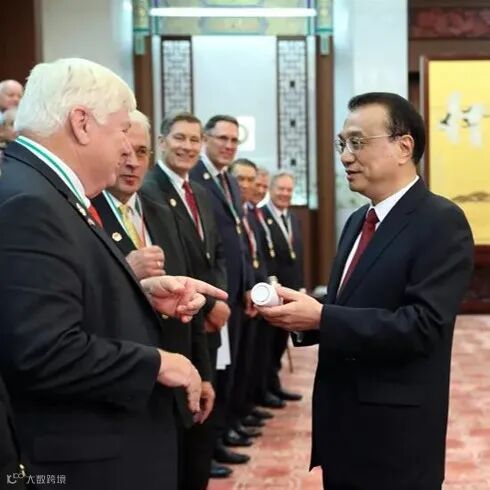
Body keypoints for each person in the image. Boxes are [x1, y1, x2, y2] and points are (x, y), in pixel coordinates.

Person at [0, 58, 227, 490]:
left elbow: (60, 295)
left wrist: (137, 291)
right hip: (78, 462)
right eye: (123, 129)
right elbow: (40, 352)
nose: (127, 148)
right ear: (82, 123)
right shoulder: (30, 202)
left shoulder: (45, 189)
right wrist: (159, 362)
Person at [258, 92, 474, 490]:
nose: (345, 156)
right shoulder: (359, 219)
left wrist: (322, 317)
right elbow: (352, 304)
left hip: (395, 437)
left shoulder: (441, 221)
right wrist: (304, 314)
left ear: (403, 147)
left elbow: (422, 326)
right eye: (342, 144)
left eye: (358, 142)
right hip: (342, 425)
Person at [93, 110, 216, 489]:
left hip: (178, 387)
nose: (132, 162)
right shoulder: (85, 214)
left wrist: (204, 373)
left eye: (141, 152)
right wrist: (127, 271)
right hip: (123, 389)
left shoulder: (163, 211)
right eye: (124, 151)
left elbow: (189, 295)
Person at [143, 112, 232, 484]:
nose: (188, 146)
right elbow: (177, 263)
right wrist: (210, 305)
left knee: (204, 405)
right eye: (180, 138)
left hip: (206, 314)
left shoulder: (199, 192)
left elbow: (216, 253)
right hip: (181, 312)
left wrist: (219, 300)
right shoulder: (149, 190)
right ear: (162, 141)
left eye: (195, 140)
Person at [190, 115, 256, 465]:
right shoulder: (195, 176)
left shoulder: (229, 180)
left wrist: (247, 285)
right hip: (212, 296)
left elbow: (239, 238)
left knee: (232, 368)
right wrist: (214, 296)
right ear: (206, 139)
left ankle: (226, 428)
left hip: (235, 292)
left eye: (234, 140)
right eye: (223, 138)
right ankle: (209, 445)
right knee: (212, 372)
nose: (229, 145)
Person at [260, 171, 304, 404]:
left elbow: (298, 257)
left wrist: (301, 286)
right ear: (271, 189)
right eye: (281, 189)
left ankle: (275, 384)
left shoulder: (293, 218)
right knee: (266, 344)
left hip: (291, 290)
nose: (285, 194)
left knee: (280, 341)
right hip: (272, 292)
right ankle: (264, 388)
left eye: (289, 190)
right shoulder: (260, 216)